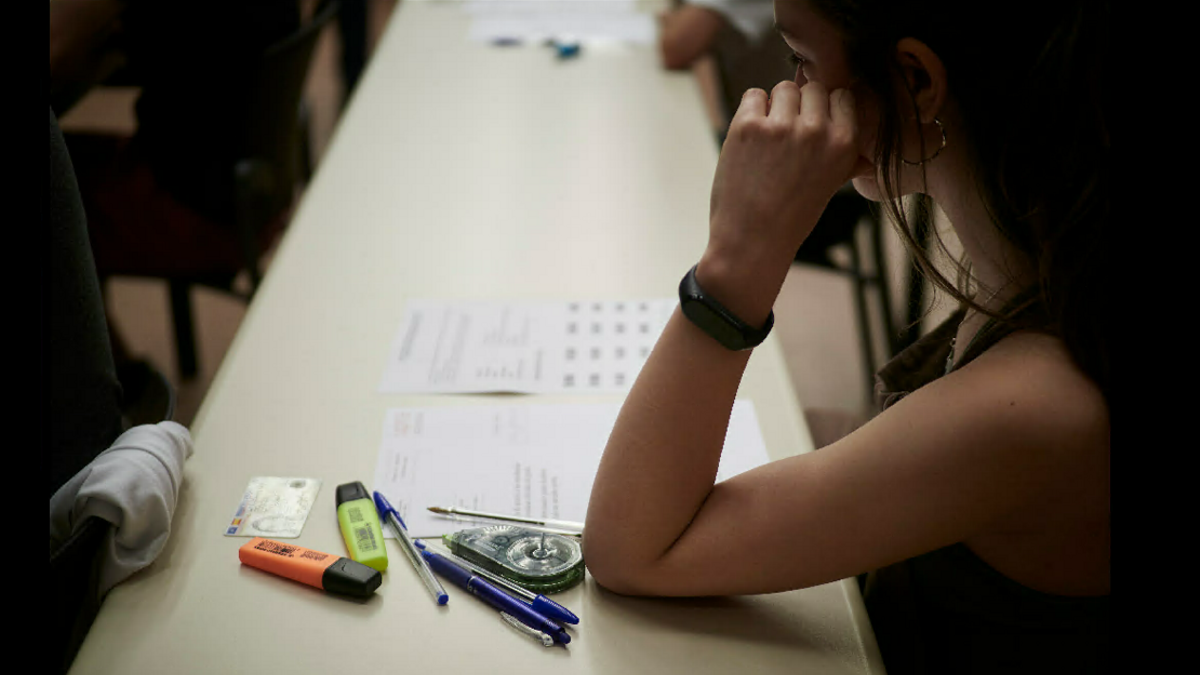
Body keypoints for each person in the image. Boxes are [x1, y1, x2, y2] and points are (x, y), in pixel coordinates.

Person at [585, 1, 1109, 673]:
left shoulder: (1038, 401)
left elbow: (632, 549)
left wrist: (736, 265)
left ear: (917, 81)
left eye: (801, 62)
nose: (790, 92)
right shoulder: (1045, 257)